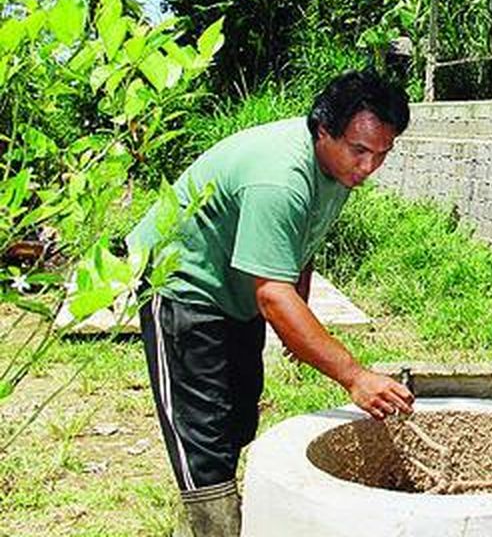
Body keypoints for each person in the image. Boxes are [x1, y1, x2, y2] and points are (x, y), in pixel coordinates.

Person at [128, 71, 415, 537]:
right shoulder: (279, 180)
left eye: (382, 153)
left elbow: (301, 241)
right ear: (323, 130)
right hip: (183, 283)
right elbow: (272, 294)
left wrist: (299, 316)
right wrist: (354, 376)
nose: (368, 166)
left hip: (235, 285)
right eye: (360, 150)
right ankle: (212, 526)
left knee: (239, 417)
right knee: (203, 439)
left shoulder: (337, 169)